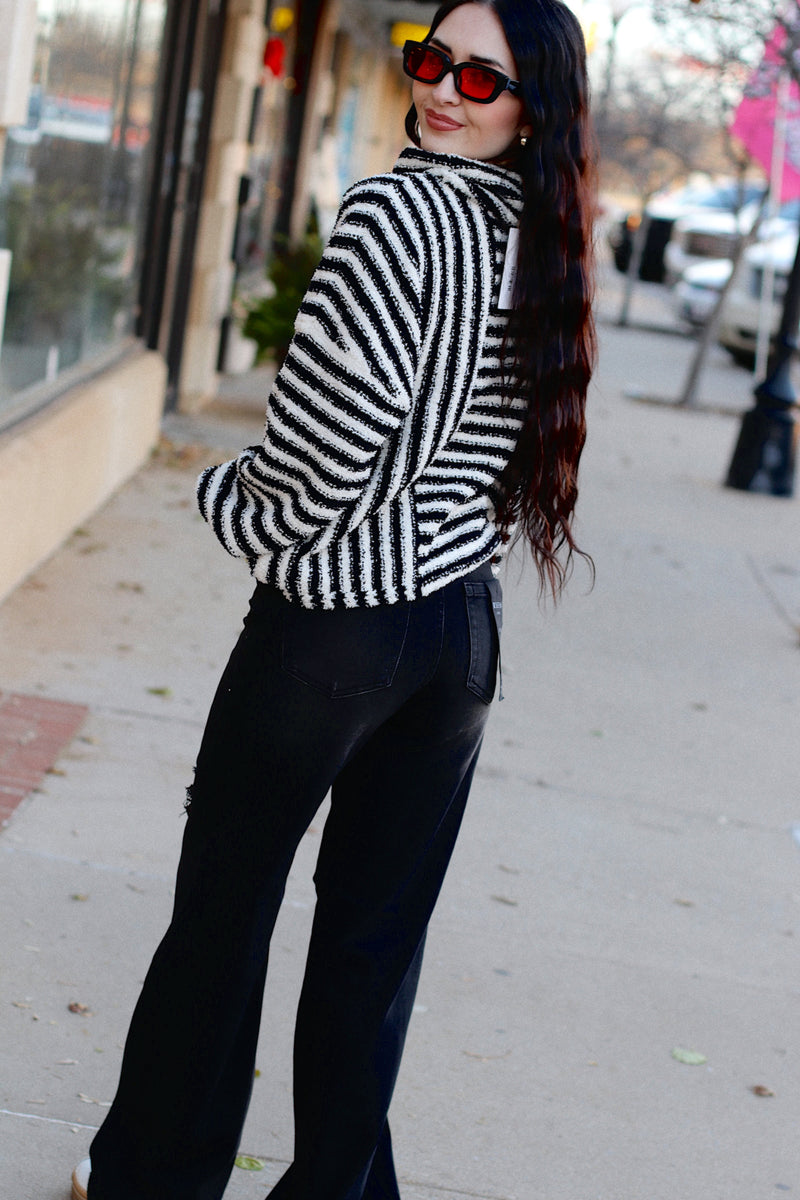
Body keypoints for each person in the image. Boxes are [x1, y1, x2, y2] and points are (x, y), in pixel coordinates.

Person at [71, 1, 595, 1197]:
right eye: (430, 60)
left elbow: (322, 453)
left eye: (482, 76)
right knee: (373, 943)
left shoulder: (391, 210)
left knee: (224, 912)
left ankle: (153, 1176)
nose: (445, 89)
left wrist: (226, 500)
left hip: (336, 628)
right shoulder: (546, 241)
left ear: (533, 107)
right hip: (458, 634)